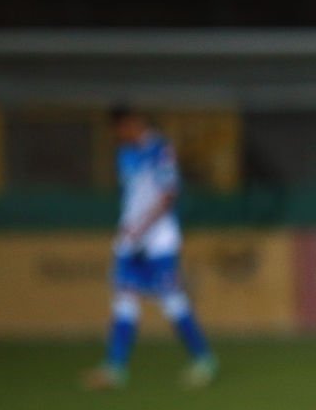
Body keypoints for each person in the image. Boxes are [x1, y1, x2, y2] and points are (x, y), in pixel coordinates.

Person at [83, 106, 216, 390]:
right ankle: (115, 368)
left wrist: (142, 228)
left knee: (172, 301)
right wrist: (130, 230)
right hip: (130, 240)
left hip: (159, 241)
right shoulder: (125, 153)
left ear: (132, 123)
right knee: (123, 299)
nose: (118, 135)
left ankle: (204, 359)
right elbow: (134, 197)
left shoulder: (160, 150)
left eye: (120, 128)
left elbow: (168, 195)